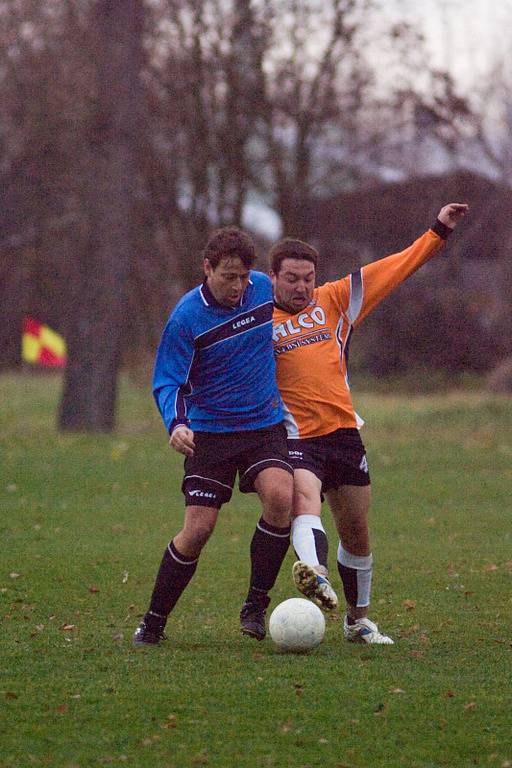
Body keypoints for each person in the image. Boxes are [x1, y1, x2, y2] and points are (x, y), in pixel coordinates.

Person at [267, 203, 469, 644]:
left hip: (343, 433)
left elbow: (396, 268)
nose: (302, 287)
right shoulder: (258, 320)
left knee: (357, 532)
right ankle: (314, 571)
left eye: (308, 278)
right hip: (296, 436)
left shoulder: (336, 300)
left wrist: (437, 231)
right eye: (292, 279)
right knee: (305, 500)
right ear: (273, 279)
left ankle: (357, 621)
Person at [133, 226, 294, 646]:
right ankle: (153, 621)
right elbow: (168, 381)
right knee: (198, 530)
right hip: (211, 434)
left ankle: (255, 605)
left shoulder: (263, 288)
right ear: (207, 268)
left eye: (243, 276)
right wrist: (177, 423)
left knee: (281, 496)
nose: (238, 286)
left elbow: (303, 300)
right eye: (228, 276)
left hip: (263, 425)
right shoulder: (186, 318)